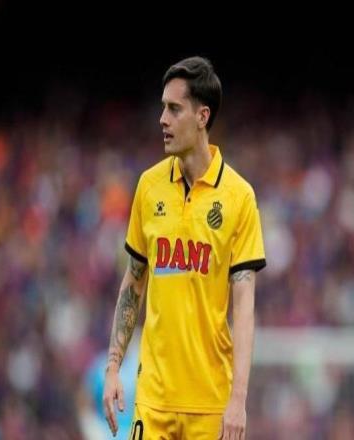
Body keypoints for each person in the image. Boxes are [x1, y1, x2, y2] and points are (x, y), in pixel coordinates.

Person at [103, 56, 266, 440]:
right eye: (163, 108)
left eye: (174, 109)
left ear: (202, 116)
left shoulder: (239, 197)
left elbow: (244, 307)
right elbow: (134, 280)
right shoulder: (149, 186)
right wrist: (113, 367)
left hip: (210, 403)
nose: (162, 119)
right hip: (153, 400)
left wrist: (238, 399)